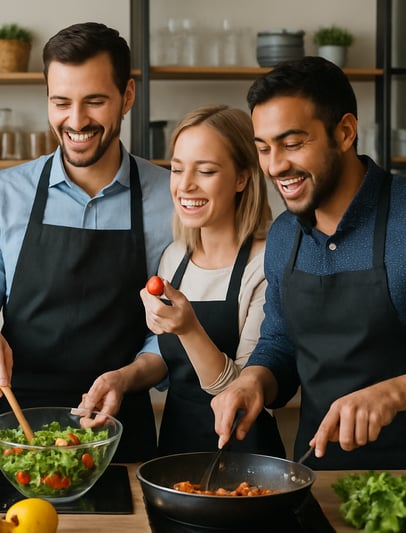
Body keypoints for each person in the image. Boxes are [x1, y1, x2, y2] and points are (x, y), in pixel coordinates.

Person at [0, 22, 173, 464]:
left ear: (127, 96)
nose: (76, 120)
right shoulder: (3, 195)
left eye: (95, 101)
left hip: (118, 430)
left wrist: (127, 377)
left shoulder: (169, 198)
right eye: (61, 102)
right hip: (12, 431)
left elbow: (171, 331)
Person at [210, 56, 406, 470]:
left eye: (293, 144)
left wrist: (394, 393)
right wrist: (254, 379)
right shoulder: (283, 236)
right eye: (264, 148)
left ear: (345, 132)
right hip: (315, 477)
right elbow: (281, 342)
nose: (275, 165)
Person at [140, 105, 285, 458]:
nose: (185, 185)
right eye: (177, 169)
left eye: (205, 171)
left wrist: (189, 329)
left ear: (241, 179)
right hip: (174, 448)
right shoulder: (174, 257)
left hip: (246, 453)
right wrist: (122, 378)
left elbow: (245, 392)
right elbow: (168, 358)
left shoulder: (266, 263)